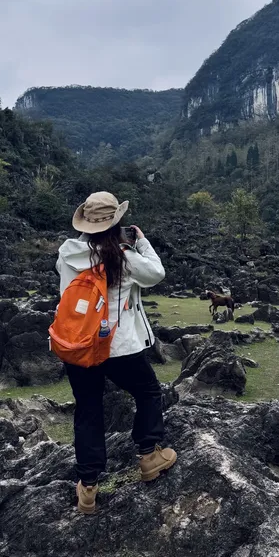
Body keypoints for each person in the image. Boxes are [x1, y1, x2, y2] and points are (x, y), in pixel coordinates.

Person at [56, 191, 177, 514]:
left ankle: (88, 488)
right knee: (149, 391)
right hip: (117, 347)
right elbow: (156, 273)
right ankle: (149, 455)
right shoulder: (123, 256)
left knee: (88, 410)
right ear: (117, 223)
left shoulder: (67, 254)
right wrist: (141, 242)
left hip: (78, 344)